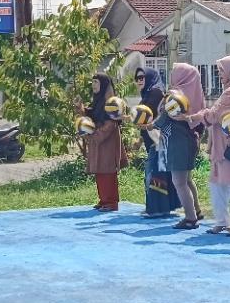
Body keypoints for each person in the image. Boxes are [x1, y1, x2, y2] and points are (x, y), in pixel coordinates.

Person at [180, 56, 230, 236]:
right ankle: (223, 221)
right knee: (219, 184)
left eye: (222, 70)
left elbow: (215, 115)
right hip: (225, 147)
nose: (219, 74)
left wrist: (196, 116)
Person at [153, 63, 205, 230]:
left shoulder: (174, 96)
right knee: (187, 179)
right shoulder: (196, 95)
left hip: (177, 143)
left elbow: (164, 118)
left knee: (179, 182)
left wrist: (150, 125)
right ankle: (196, 210)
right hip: (191, 140)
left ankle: (190, 218)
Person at [134, 68, 181, 219]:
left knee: (154, 173)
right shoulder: (149, 93)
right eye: (137, 78)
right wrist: (141, 139)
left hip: (159, 140)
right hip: (154, 140)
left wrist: (142, 124)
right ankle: (161, 208)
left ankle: (157, 209)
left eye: (142, 77)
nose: (139, 80)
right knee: (157, 173)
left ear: (149, 77)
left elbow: (151, 118)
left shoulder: (155, 93)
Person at [77, 73, 128, 212]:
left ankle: (111, 202)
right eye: (92, 82)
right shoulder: (98, 101)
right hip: (98, 141)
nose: (93, 85)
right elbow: (92, 114)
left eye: (96, 82)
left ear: (104, 85)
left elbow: (111, 123)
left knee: (108, 172)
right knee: (100, 172)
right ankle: (103, 200)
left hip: (108, 141)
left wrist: (96, 135)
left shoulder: (112, 103)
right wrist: (81, 110)